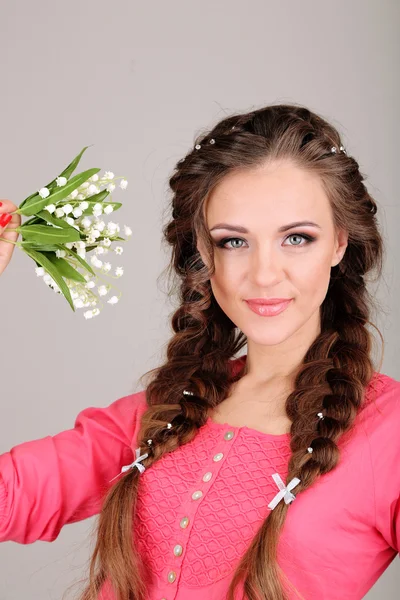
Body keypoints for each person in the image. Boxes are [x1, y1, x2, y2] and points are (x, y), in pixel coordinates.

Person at [0, 103, 399, 600]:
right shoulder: (168, 408)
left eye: (297, 238)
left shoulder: (389, 431)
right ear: (203, 253)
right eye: (234, 242)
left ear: (339, 243)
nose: (264, 273)